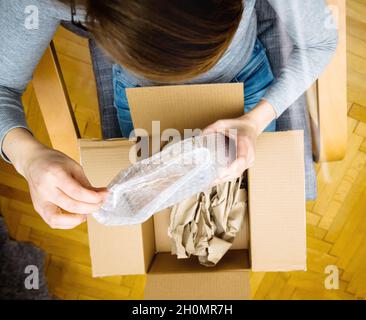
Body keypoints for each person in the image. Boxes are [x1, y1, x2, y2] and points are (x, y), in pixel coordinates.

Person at [0, 0, 338, 229]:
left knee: (245, 198)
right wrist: (28, 156)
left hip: (244, 75)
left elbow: (321, 42)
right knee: (165, 211)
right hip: (139, 93)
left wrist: (256, 120)